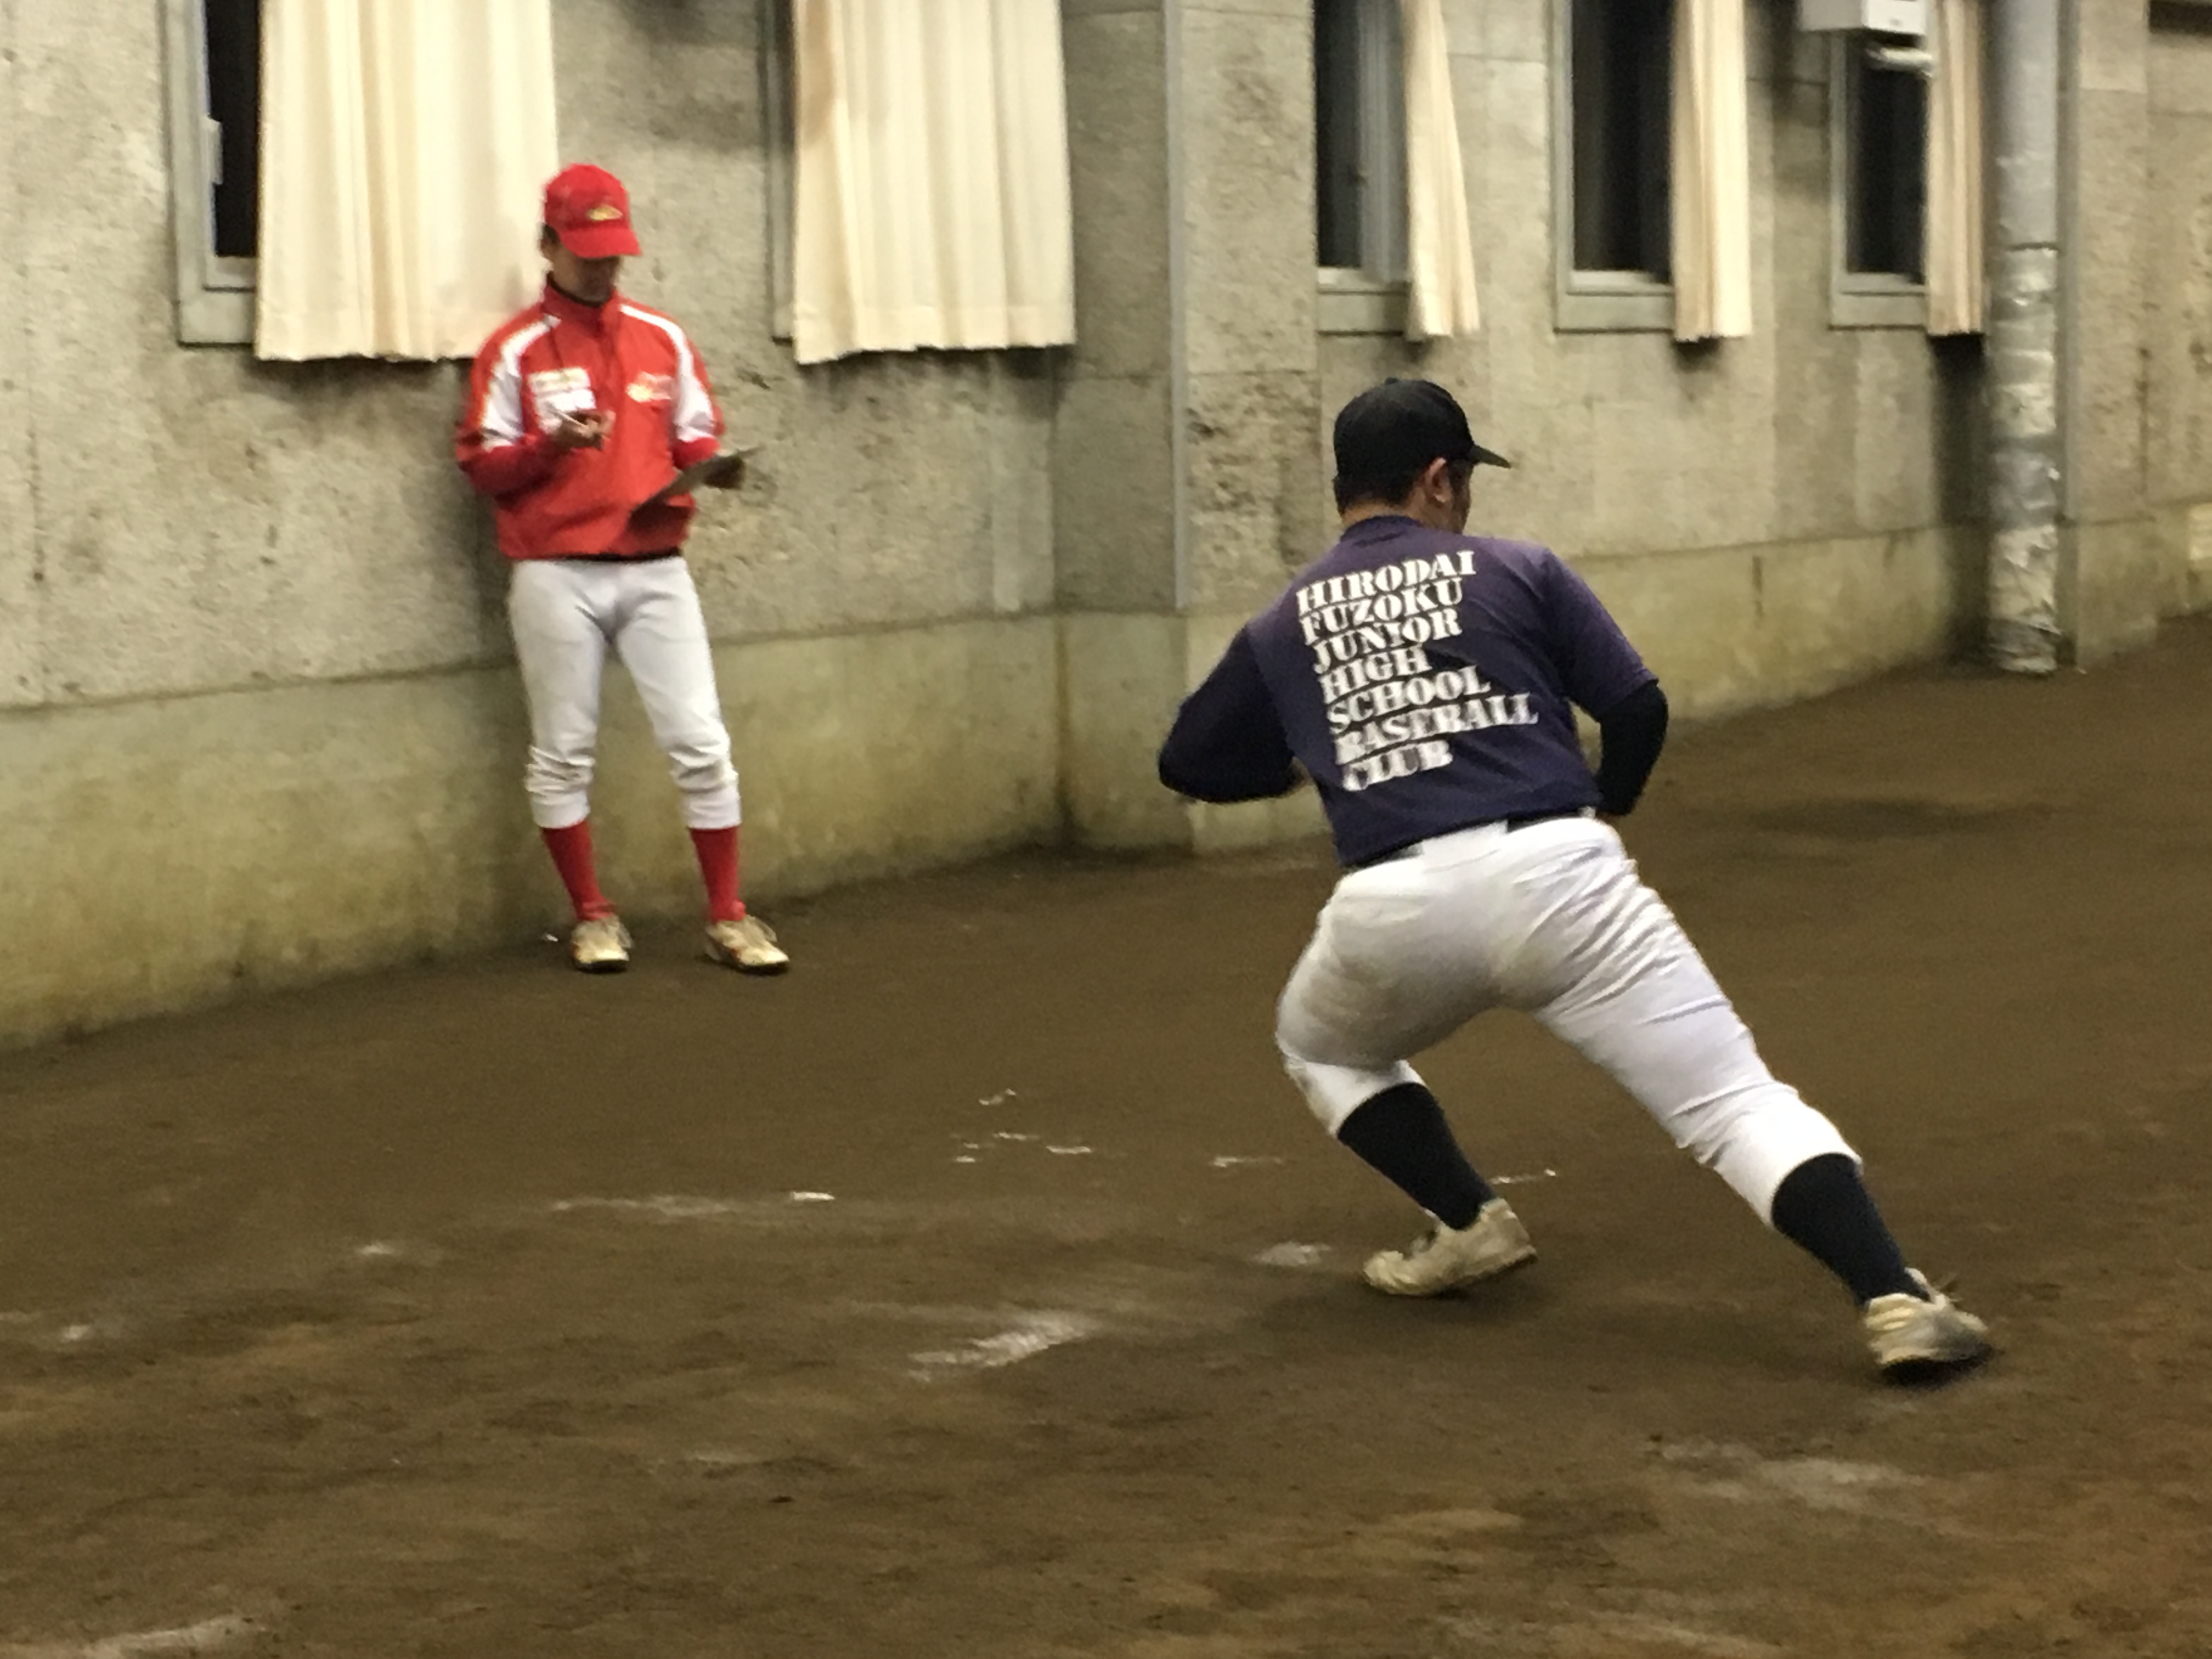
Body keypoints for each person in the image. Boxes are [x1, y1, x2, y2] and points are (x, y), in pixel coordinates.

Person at [1156, 378, 1990, 1380]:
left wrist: (1302, 767)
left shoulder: (1283, 621)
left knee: (1323, 1049)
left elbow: (1189, 766)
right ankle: (1896, 1300)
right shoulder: (1518, 568)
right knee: (1733, 1103)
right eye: (1461, 480)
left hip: (1394, 907)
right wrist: (1607, 801)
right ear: (1438, 479)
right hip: (1564, 877)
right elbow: (1636, 707)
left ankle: (1468, 1219)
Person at [455, 163, 787, 977]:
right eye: (586, 253)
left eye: (613, 254)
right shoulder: (514, 351)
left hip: (656, 565)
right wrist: (548, 447)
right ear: (547, 245)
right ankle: (593, 916)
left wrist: (715, 467)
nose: (602, 268)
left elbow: (696, 433)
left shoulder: (662, 337)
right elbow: (482, 465)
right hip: (554, 570)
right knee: (564, 750)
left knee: (703, 742)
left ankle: (729, 915)